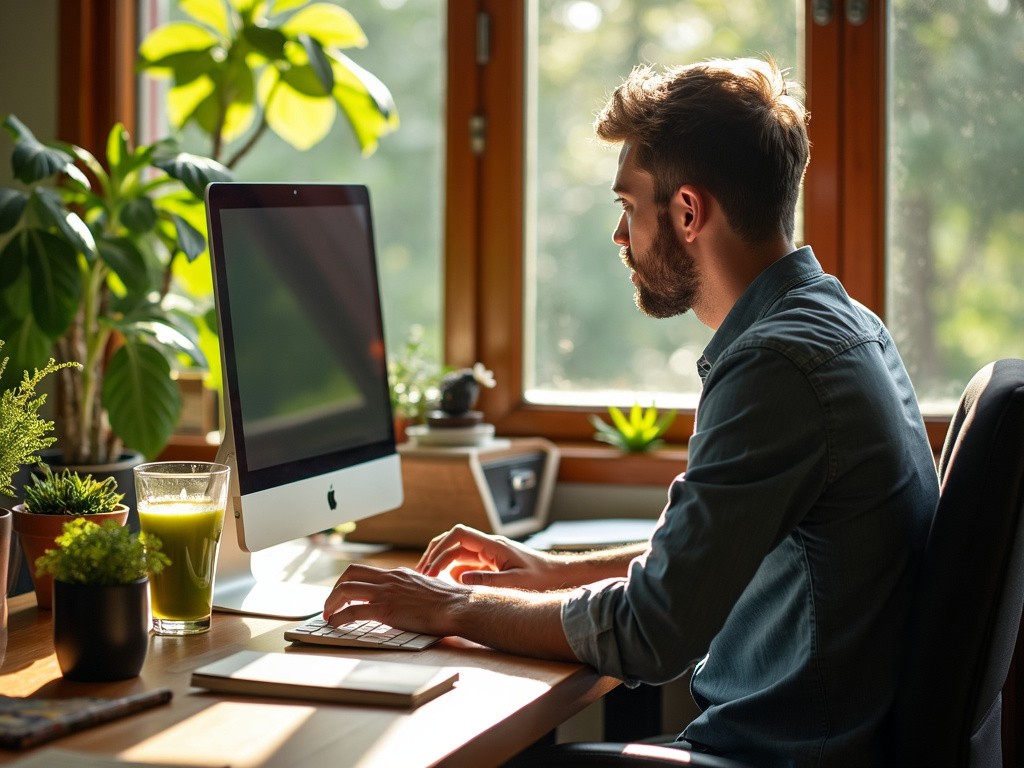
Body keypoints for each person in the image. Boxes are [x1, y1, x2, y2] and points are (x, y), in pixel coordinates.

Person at [322, 57, 939, 767]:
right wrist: (546, 570)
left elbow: (652, 632)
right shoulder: (839, 323)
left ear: (686, 211)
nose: (620, 238)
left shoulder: (775, 367)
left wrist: (447, 608)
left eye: (626, 207)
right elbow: (697, 568)